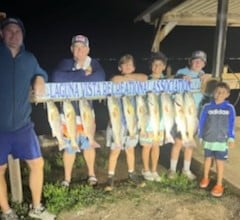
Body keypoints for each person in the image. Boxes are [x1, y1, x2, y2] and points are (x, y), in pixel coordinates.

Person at [0, 17, 56, 219]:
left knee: (37, 164)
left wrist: (40, 78)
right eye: (9, 31)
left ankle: (36, 207)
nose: (14, 35)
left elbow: (40, 71)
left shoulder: (29, 58)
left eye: (18, 32)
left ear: (23, 36)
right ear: (2, 34)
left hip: (23, 125)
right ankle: (6, 211)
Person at [51, 34, 106, 187]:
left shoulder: (93, 63)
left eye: (82, 47)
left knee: (89, 144)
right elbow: (56, 77)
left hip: (87, 114)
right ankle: (67, 179)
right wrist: (82, 74)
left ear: (88, 49)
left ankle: (91, 174)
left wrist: (72, 78)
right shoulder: (65, 63)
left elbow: (100, 78)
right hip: (68, 115)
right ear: (71, 49)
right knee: (69, 147)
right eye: (76, 47)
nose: (79, 50)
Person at [105, 54, 147, 190]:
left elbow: (145, 78)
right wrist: (126, 78)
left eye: (130, 64)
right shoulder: (116, 79)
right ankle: (110, 176)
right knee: (115, 150)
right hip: (118, 122)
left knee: (130, 149)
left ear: (134, 67)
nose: (128, 66)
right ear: (119, 67)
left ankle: (131, 173)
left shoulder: (137, 79)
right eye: (125, 64)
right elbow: (114, 79)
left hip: (132, 123)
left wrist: (130, 77)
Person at [168, 50, 210, 180]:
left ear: (204, 64)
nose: (198, 63)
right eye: (195, 60)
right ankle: (172, 170)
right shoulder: (182, 72)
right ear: (190, 61)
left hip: (194, 116)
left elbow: (209, 94)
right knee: (179, 142)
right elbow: (172, 82)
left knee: (189, 143)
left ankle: (186, 169)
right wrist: (180, 78)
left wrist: (209, 80)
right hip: (181, 114)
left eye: (201, 61)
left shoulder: (204, 76)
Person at [198, 82, 235, 197]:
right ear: (214, 93)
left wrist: (231, 138)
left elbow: (231, 124)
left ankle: (219, 184)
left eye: (223, 92)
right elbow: (202, 122)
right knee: (207, 159)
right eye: (218, 92)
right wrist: (200, 136)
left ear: (228, 94)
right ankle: (205, 178)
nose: (220, 94)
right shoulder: (207, 107)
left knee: (220, 163)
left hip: (221, 141)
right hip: (208, 139)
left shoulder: (229, 108)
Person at [141, 52, 167, 181]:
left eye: (160, 65)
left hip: (161, 120)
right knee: (147, 146)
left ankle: (154, 170)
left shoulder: (167, 81)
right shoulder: (145, 80)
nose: (157, 67)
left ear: (164, 67)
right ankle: (145, 169)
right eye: (154, 64)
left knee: (156, 146)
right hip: (147, 120)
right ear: (151, 66)